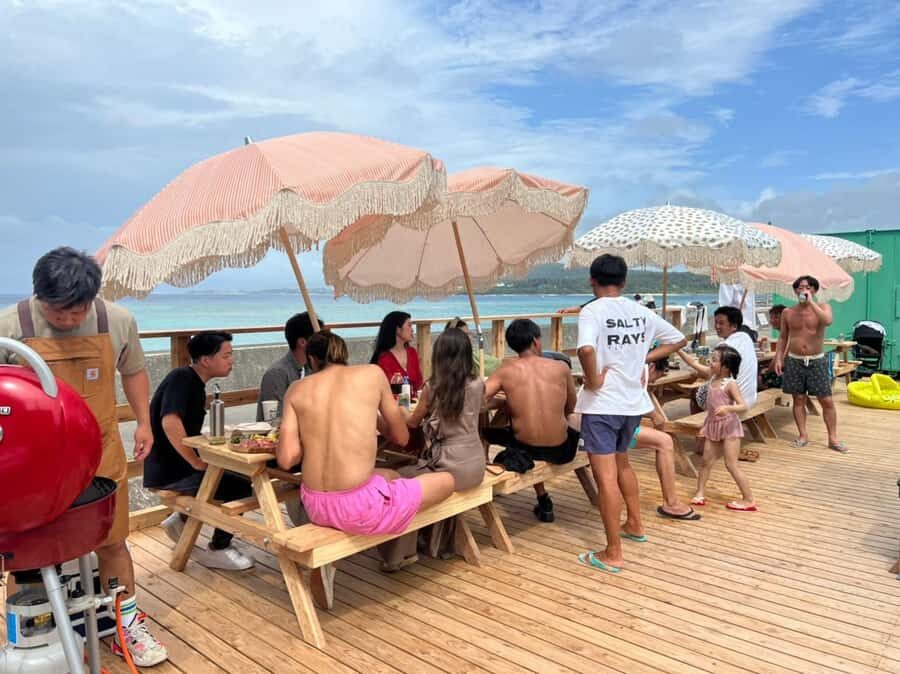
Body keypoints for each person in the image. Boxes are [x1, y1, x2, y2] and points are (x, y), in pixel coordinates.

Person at [0, 247, 168, 667]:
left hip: (101, 451)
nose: (69, 321)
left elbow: (133, 371)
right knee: (26, 551)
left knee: (113, 543)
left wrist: (144, 424)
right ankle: (31, 640)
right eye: (59, 312)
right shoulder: (9, 326)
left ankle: (123, 624)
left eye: (78, 311)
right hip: (31, 463)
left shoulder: (118, 321)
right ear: (39, 296)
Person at [278, 330, 455, 535]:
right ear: (343, 354)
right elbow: (402, 437)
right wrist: (375, 418)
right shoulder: (372, 373)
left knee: (390, 475)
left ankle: (399, 548)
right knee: (447, 480)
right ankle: (402, 545)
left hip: (316, 505)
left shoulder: (295, 389)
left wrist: (308, 437)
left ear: (312, 359)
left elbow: (287, 459)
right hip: (359, 510)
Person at [575, 254, 686, 574]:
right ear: (623, 283)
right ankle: (634, 523)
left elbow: (584, 349)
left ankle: (612, 552)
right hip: (633, 405)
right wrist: (642, 359)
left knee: (605, 475)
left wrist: (593, 380)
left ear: (592, 281)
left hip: (602, 405)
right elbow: (678, 339)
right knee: (621, 461)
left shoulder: (592, 311)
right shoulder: (641, 311)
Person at [144, 331, 255, 571]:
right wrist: (195, 461)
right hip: (170, 471)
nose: (231, 360)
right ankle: (219, 548)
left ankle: (180, 520)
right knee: (241, 486)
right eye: (226, 355)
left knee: (236, 476)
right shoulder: (183, 379)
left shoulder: (191, 381)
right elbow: (169, 422)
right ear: (205, 360)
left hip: (172, 465)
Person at [378, 328, 486, 570]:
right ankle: (432, 541)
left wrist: (400, 411)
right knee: (414, 473)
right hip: (476, 465)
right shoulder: (477, 383)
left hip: (448, 465)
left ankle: (400, 554)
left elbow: (412, 423)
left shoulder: (433, 387)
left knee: (401, 480)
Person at [482, 319, 578, 522]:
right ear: (535, 341)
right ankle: (542, 498)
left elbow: (479, 398)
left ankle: (483, 480)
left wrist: (509, 402)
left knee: (485, 433)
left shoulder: (505, 370)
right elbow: (570, 407)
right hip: (562, 449)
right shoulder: (561, 367)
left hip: (527, 449)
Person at [775, 276, 847, 452]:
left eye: (807, 287)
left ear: (814, 290)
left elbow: (828, 321)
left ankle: (833, 438)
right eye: (800, 287)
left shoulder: (823, 307)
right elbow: (783, 337)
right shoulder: (788, 312)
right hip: (794, 360)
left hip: (817, 360)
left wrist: (811, 302)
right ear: (795, 291)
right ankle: (802, 435)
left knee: (826, 400)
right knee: (798, 399)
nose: (803, 290)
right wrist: (778, 358)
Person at [680, 346, 756, 511]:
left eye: (714, 360)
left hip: (730, 426)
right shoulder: (711, 375)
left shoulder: (730, 384)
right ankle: (700, 493)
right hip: (713, 425)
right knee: (706, 461)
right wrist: (678, 349)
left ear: (726, 367)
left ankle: (748, 499)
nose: (710, 362)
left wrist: (728, 409)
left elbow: (743, 405)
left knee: (731, 464)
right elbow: (693, 362)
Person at [256, 312, 323, 421]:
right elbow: (274, 418)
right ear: (302, 342)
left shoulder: (311, 369)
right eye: (319, 339)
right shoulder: (277, 374)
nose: (323, 343)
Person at [692, 306, 758, 413]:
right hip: (750, 398)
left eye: (721, 323)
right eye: (716, 322)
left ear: (734, 326)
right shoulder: (746, 338)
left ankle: (705, 425)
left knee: (695, 393)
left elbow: (709, 372)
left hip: (735, 404)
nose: (717, 326)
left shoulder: (725, 346)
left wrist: (690, 362)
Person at [371, 311, 424, 394]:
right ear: (398, 330)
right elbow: (384, 390)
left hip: (415, 403)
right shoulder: (384, 358)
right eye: (409, 325)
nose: (412, 330)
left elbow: (419, 383)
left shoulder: (412, 352)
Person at [758, 305, 786, 390]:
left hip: (786, 374)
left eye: (776, 317)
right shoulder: (785, 333)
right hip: (785, 370)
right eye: (771, 317)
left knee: (758, 378)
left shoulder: (786, 335)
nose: (772, 320)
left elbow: (779, 358)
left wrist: (768, 371)